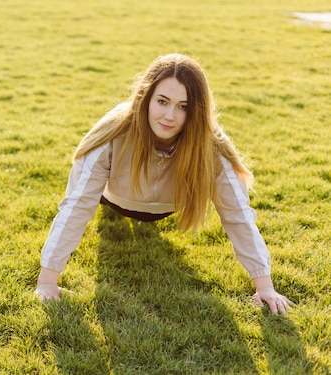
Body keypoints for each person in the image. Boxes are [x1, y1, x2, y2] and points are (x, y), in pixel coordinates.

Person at [34, 54, 295, 315]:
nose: (169, 116)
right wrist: (47, 281)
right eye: (162, 102)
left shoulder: (211, 145)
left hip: (167, 206)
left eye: (183, 107)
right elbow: (76, 206)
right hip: (115, 198)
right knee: (90, 199)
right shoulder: (113, 131)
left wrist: (264, 285)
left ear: (197, 110)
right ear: (145, 98)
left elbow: (238, 215)